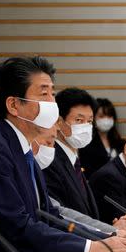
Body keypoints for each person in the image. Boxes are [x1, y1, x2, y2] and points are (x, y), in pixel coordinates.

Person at [0, 57, 126, 252]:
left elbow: (50, 215)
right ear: (14, 105)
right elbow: (18, 225)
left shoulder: (22, 146)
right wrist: (92, 248)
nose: (52, 102)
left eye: (53, 93)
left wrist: (109, 238)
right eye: (44, 94)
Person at [35, 125, 126, 238]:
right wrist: (112, 232)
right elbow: (59, 215)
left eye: (90, 120)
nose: (51, 149)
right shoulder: (109, 174)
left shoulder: (71, 163)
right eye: (48, 143)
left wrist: (112, 230)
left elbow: (59, 212)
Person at [43, 88, 101, 220]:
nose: (86, 127)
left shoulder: (76, 159)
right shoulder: (49, 160)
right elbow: (62, 215)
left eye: (90, 121)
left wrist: (112, 228)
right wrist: (109, 232)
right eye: (79, 120)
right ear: (59, 122)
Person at [80, 97, 125, 178]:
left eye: (109, 116)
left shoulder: (121, 143)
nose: (106, 119)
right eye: (101, 116)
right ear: (93, 118)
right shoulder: (86, 144)